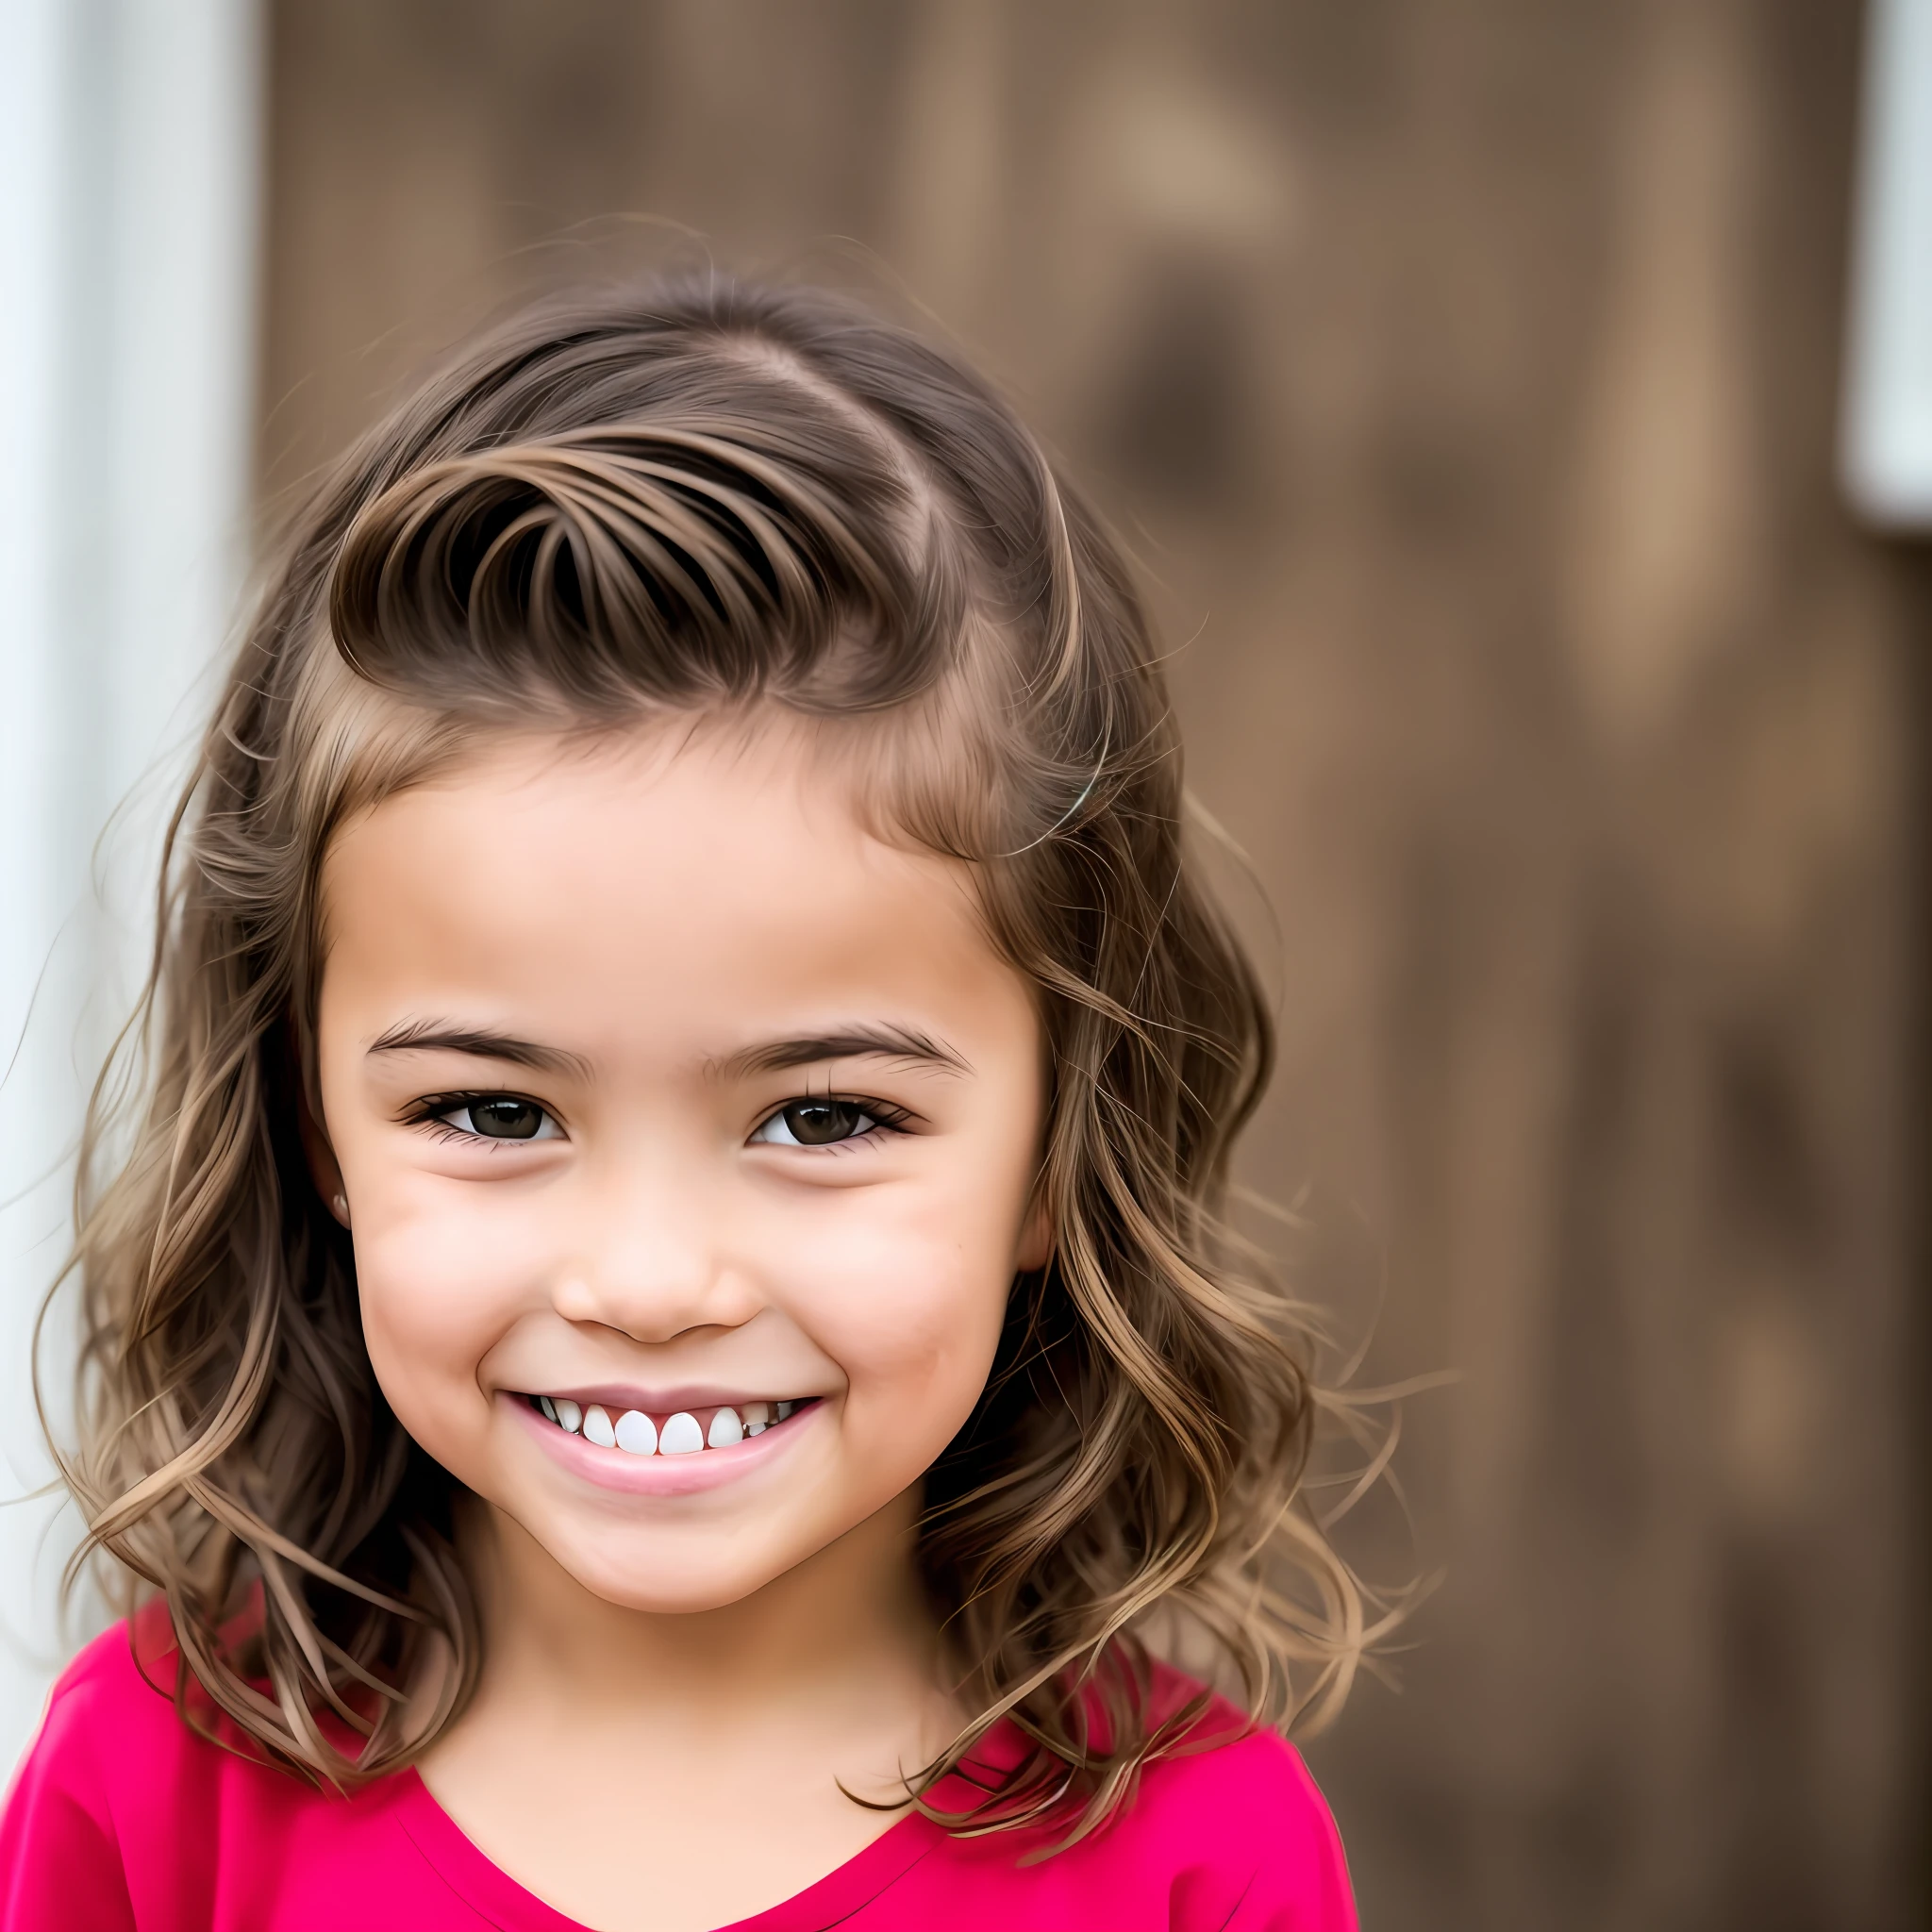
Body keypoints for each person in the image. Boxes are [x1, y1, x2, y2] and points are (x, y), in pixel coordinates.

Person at [0, 278, 1369, 1929]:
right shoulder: (156, 1794)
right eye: (495, 1114)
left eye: (824, 1119)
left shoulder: (1204, 1859)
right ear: (314, 1126)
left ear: (1057, 1152)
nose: (648, 1285)